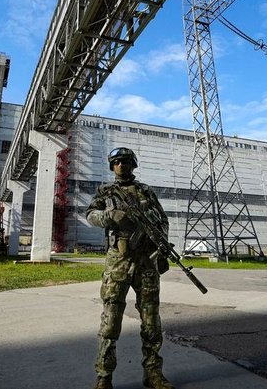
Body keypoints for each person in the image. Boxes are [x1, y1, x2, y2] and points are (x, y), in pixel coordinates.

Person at [86, 147, 173, 389]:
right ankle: (104, 376)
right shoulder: (106, 191)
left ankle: (153, 374)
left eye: (125, 161)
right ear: (112, 166)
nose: (121, 165)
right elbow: (90, 214)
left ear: (133, 165)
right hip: (118, 261)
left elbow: (162, 220)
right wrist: (109, 216)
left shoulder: (145, 191)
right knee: (111, 320)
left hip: (146, 261)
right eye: (116, 162)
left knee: (151, 321)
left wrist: (161, 242)